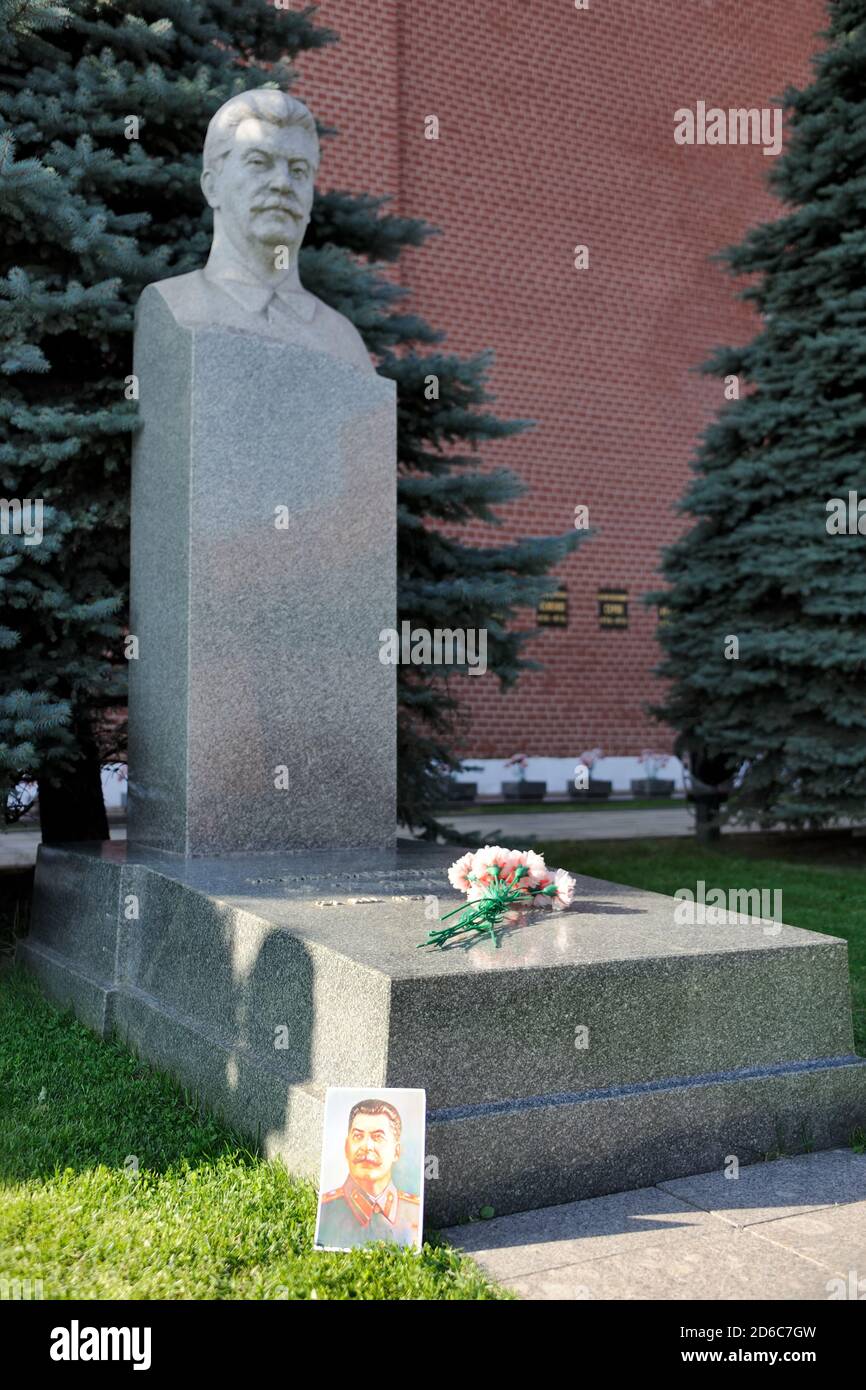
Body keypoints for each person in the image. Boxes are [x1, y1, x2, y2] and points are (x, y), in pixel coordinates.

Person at [142, 89, 373, 373]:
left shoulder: (345, 342)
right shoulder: (175, 307)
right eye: (259, 162)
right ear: (212, 187)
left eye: (298, 170)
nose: (282, 183)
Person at [316, 1098, 421, 1250]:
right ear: (347, 1147)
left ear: (396, 1152)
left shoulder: (414, 1211)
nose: (367, 1146)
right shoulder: (326, 1211)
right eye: (358, 1136)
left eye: (378, 1137)